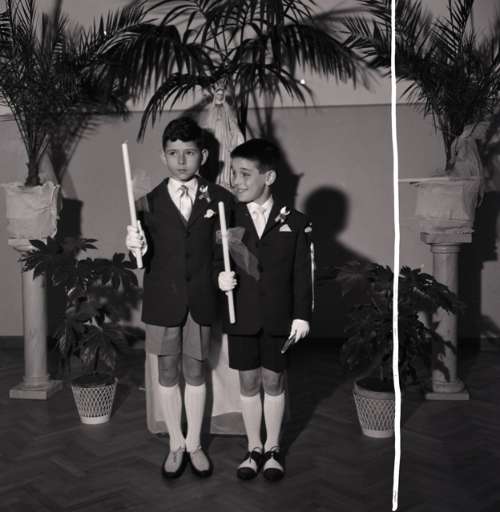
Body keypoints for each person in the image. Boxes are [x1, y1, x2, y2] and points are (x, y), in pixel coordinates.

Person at [126, 117, 233, 479]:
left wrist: (224, 274)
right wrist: (135, 247)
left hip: (200, 299)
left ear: (203, 155)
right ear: (163, 156)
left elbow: (229, 251)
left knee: (196, 371)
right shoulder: (146, 203)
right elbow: (139, 260)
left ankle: (195, 444)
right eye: (174, 153)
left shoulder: (220, 199)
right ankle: (175, 443)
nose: (181, 160)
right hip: (163, 301)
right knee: (167, 371)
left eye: (189, 152)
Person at [218, 138, 313, 481]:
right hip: (241, 315)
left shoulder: (296, 222)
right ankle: (253, 447)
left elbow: (303, 273)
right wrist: (218, 279)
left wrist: (302, 315)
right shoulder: (227, 218)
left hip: (278, 317)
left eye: (245, 174)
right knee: (247, 381)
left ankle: (273, 448)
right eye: (234, 173)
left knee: (273, 380)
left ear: (268, 177)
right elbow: (214, 262)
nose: (236, 181)